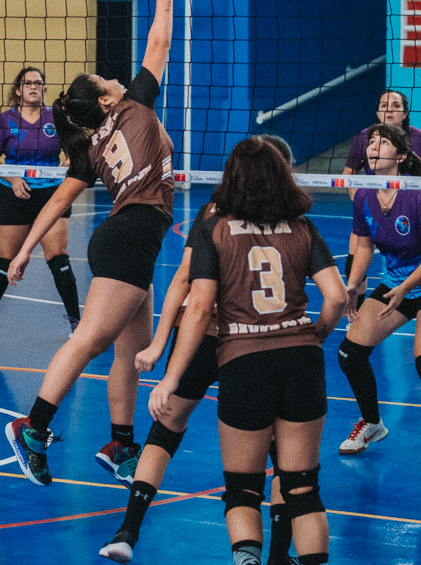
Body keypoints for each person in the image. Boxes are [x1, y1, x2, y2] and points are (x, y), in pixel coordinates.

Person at [4, 0, 183, 487]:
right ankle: (32, 428)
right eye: (107, 80)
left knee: (130, 350)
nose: (115, 78)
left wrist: (24, 251)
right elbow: (159, 42)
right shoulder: (134, 104)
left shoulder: (89, 147)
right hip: (132, 234)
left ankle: (121, 445)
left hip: (129, 237)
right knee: (91, 339)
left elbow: (58, 202)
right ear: (107, 99)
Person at [100, 135, 299, 565]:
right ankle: (279, 556)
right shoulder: (290, 222)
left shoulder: (213, 212)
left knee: (167, 426)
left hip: (206, 335)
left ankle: (127, 532)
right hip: (249, 342)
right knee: (279, 447)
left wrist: (160, 343)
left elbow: (183, 281)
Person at [151, 136, 348, 565]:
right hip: (302, 360)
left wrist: (170, 378)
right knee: (303, 488)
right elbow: (337, 297)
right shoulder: (303, 227)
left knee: (243, 490)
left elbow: (199, 308)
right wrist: (315, 335)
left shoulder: (214, 229)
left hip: (244, 360)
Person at [336, 122, 421, 473]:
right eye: (371, 142)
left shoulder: (419, 196)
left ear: (400, 156)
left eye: (383, 142)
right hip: (396, 283)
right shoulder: (365, 194)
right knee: (349, 353)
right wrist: (353, 285)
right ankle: (372, 423)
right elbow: (364, 247)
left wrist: (404, 289)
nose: (373, 147)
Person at [0, 67, 81, 341]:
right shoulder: (6, 120)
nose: (33, 86)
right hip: (14, 194)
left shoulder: (56, 118)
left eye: (38, 83)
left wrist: (70, 159)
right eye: (28, 83)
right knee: (5, 260)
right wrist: (12, 177)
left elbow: (75, 148)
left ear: (44, 89)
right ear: (18, 90)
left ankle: (76, 323)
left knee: (58, 258)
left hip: (52, 195)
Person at [341, 90, 421, 175]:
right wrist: (362, 192)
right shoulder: (363, 137)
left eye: (396, 106)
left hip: (411, 190)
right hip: (376, 190)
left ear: (405, 114)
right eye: (384, 105)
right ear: (378, 113)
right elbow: (348, 174)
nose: (389, 110)